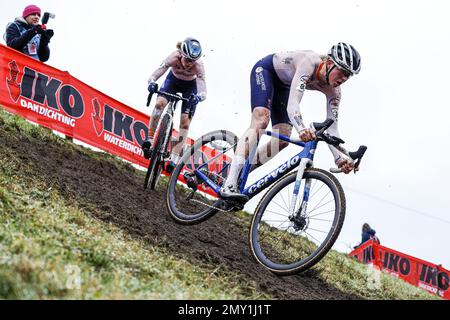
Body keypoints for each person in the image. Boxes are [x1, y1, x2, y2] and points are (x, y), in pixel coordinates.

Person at [220, 43, 362, 200]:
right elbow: (293, 104)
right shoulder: (309, 62)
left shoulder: (334, 92)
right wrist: (302, 129)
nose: (343, 78)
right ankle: (230, 183)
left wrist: (340, 158)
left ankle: (235, 174)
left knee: (281, 140)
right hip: (267, 71)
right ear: (329, 63)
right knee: (261, 120)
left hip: (285, 86)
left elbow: (332, 129)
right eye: (342, 71)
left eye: (348, 75)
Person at [142, 37, 207, 173]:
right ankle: (149, 139)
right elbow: (159, 70)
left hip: (190, 87)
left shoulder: (198, 66)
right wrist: (152, 82)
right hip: (172, 81)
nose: (190, 64)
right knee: (159, 104)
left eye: (193, 61)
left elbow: (202, 88)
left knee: (185, 122)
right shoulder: (174, 57)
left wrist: (199, 97)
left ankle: (174, 157)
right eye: (188, 59)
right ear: (181, 54)